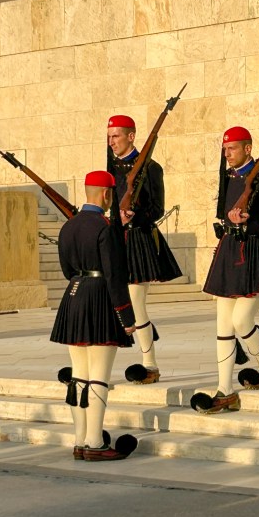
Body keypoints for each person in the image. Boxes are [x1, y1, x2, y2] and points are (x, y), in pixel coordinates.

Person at [192, 126, 259, 414]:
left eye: (233, 149)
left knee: (242, 321)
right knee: (223, 327)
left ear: (248, 148)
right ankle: (224, 391)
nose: (227, 154)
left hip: (255, 254)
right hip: (229, 252)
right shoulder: (228, 178)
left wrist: (248, 222)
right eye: (225, 149)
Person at [51, 170, 138, 461]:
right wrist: (127, 318)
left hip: (74, 294)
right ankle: (95, 443)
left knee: (79, 376)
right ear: (106, 194)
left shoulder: (69, 226)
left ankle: (79, 440)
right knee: (99, 375)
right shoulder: (104, 227)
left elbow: (66, 269)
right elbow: (115, 276)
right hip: (100, 296)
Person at [107, 114, 183, 385]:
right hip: (114, 241)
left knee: (136, 304)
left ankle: (149, 364)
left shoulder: (151, 168)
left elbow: (156, 209)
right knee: (115, 303)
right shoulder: (111, 168)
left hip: (138, 240)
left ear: (131, 136)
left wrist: (132, 214)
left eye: (116, 136)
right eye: (109, 136)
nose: (111, 141)